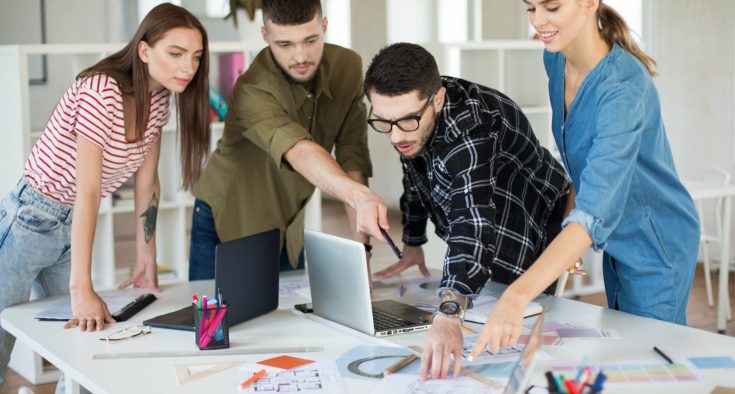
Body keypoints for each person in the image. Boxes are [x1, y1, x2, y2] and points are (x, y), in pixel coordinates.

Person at [470, 0, 700, 361]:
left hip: (657, 241)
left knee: (652, 361)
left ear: (589, 4)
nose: (538, 22)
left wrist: (516, 296)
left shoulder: (623, 88)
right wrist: (568, 229)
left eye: (552, 7)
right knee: (626, 349)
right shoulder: (555, 59)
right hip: (615, 234)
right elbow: (582, 161)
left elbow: (594, 211)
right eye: (530, 8)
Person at [0, 3, 210, 390]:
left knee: (83, 343)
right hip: (32, 218)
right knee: (1, 345)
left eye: (195, 57)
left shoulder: (161, 98)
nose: (189, 67)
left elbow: (148, 182)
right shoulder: (102, 91)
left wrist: (146, 256)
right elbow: (89, 190)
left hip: (71, 228)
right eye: (176, 54)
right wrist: (82, 287)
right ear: (145, 51)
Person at [363, 43, 571, 380]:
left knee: (518, 355)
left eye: (407, 121)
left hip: (532, 233)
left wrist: (448, 313)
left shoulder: (473, 125)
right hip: (485, 235)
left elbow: (471, 221)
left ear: (439, 99)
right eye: (384, 122)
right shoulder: (412, 115)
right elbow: (414, 170)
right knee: (477, 334)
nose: (396, 136)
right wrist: (413, 241)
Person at [189, 0, 387, 279]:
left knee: (290, 316)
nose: (300, 56)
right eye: (285, 45)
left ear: (324, 27)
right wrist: (360, 197)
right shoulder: (251, 89)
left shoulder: (348, 68)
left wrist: (361, 255)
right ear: (265, 36)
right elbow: (298, 150)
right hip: (228, 219)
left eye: (310, 40)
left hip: (289, 221)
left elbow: (352, 154)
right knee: (218, 322)